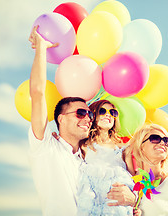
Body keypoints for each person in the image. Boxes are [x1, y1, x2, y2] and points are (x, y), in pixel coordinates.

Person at [28, 26, 134, 215]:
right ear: (60, 119)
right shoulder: (46, 145)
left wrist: (132, 202)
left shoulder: (86, 161)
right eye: (80, 113)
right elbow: (37, 92)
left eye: (90, 114)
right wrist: (42, 48)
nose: (88, 118)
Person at [75, 99, 136, 216]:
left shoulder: (123, 149)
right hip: (91, 203)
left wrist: (135, 202)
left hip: (116, 207)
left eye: (113, 113)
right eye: (102, 111)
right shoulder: (83, 144)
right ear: (93, 114)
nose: (108, 114)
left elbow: (133, 180)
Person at [124, 123, 168, 216]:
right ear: (141, 146)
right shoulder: (130, 182)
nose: (162, 143)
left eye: (166, 141)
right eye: (155, 138)